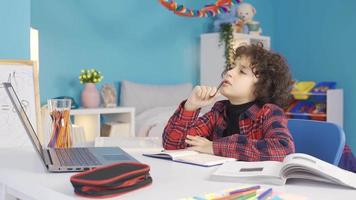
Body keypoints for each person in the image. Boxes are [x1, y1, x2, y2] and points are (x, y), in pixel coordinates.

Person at [162, 44, 295, 161]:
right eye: (232, 67)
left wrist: (214, 147)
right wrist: (190, 107)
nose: (229, 72)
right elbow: (172, 144)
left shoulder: (269, 112)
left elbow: (284, 150)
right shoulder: (218, 111)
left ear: (264, 86)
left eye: (242, 71)